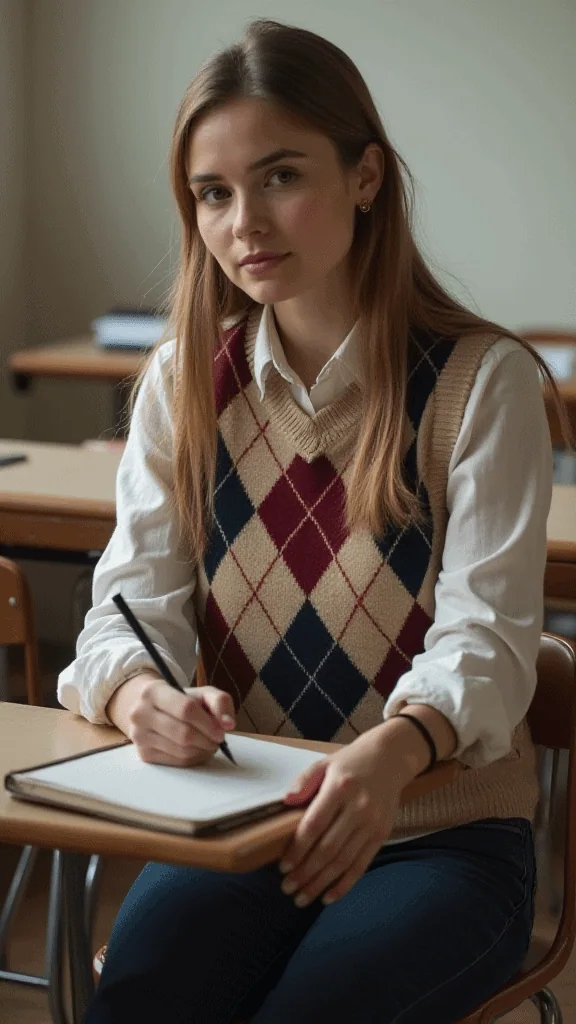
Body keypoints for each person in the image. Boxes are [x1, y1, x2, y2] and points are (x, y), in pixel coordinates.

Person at [58, 18, 568, 1024]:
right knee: (146, 996)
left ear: (366, 176)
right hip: (244, 819)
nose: (246, 220)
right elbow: (125, 609)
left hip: (444, 837)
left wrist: (395, 749)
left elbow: (491, 641)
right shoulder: (183, 383)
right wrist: (135, 700)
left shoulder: (482, 384)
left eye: (281, 175)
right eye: (214, 193)